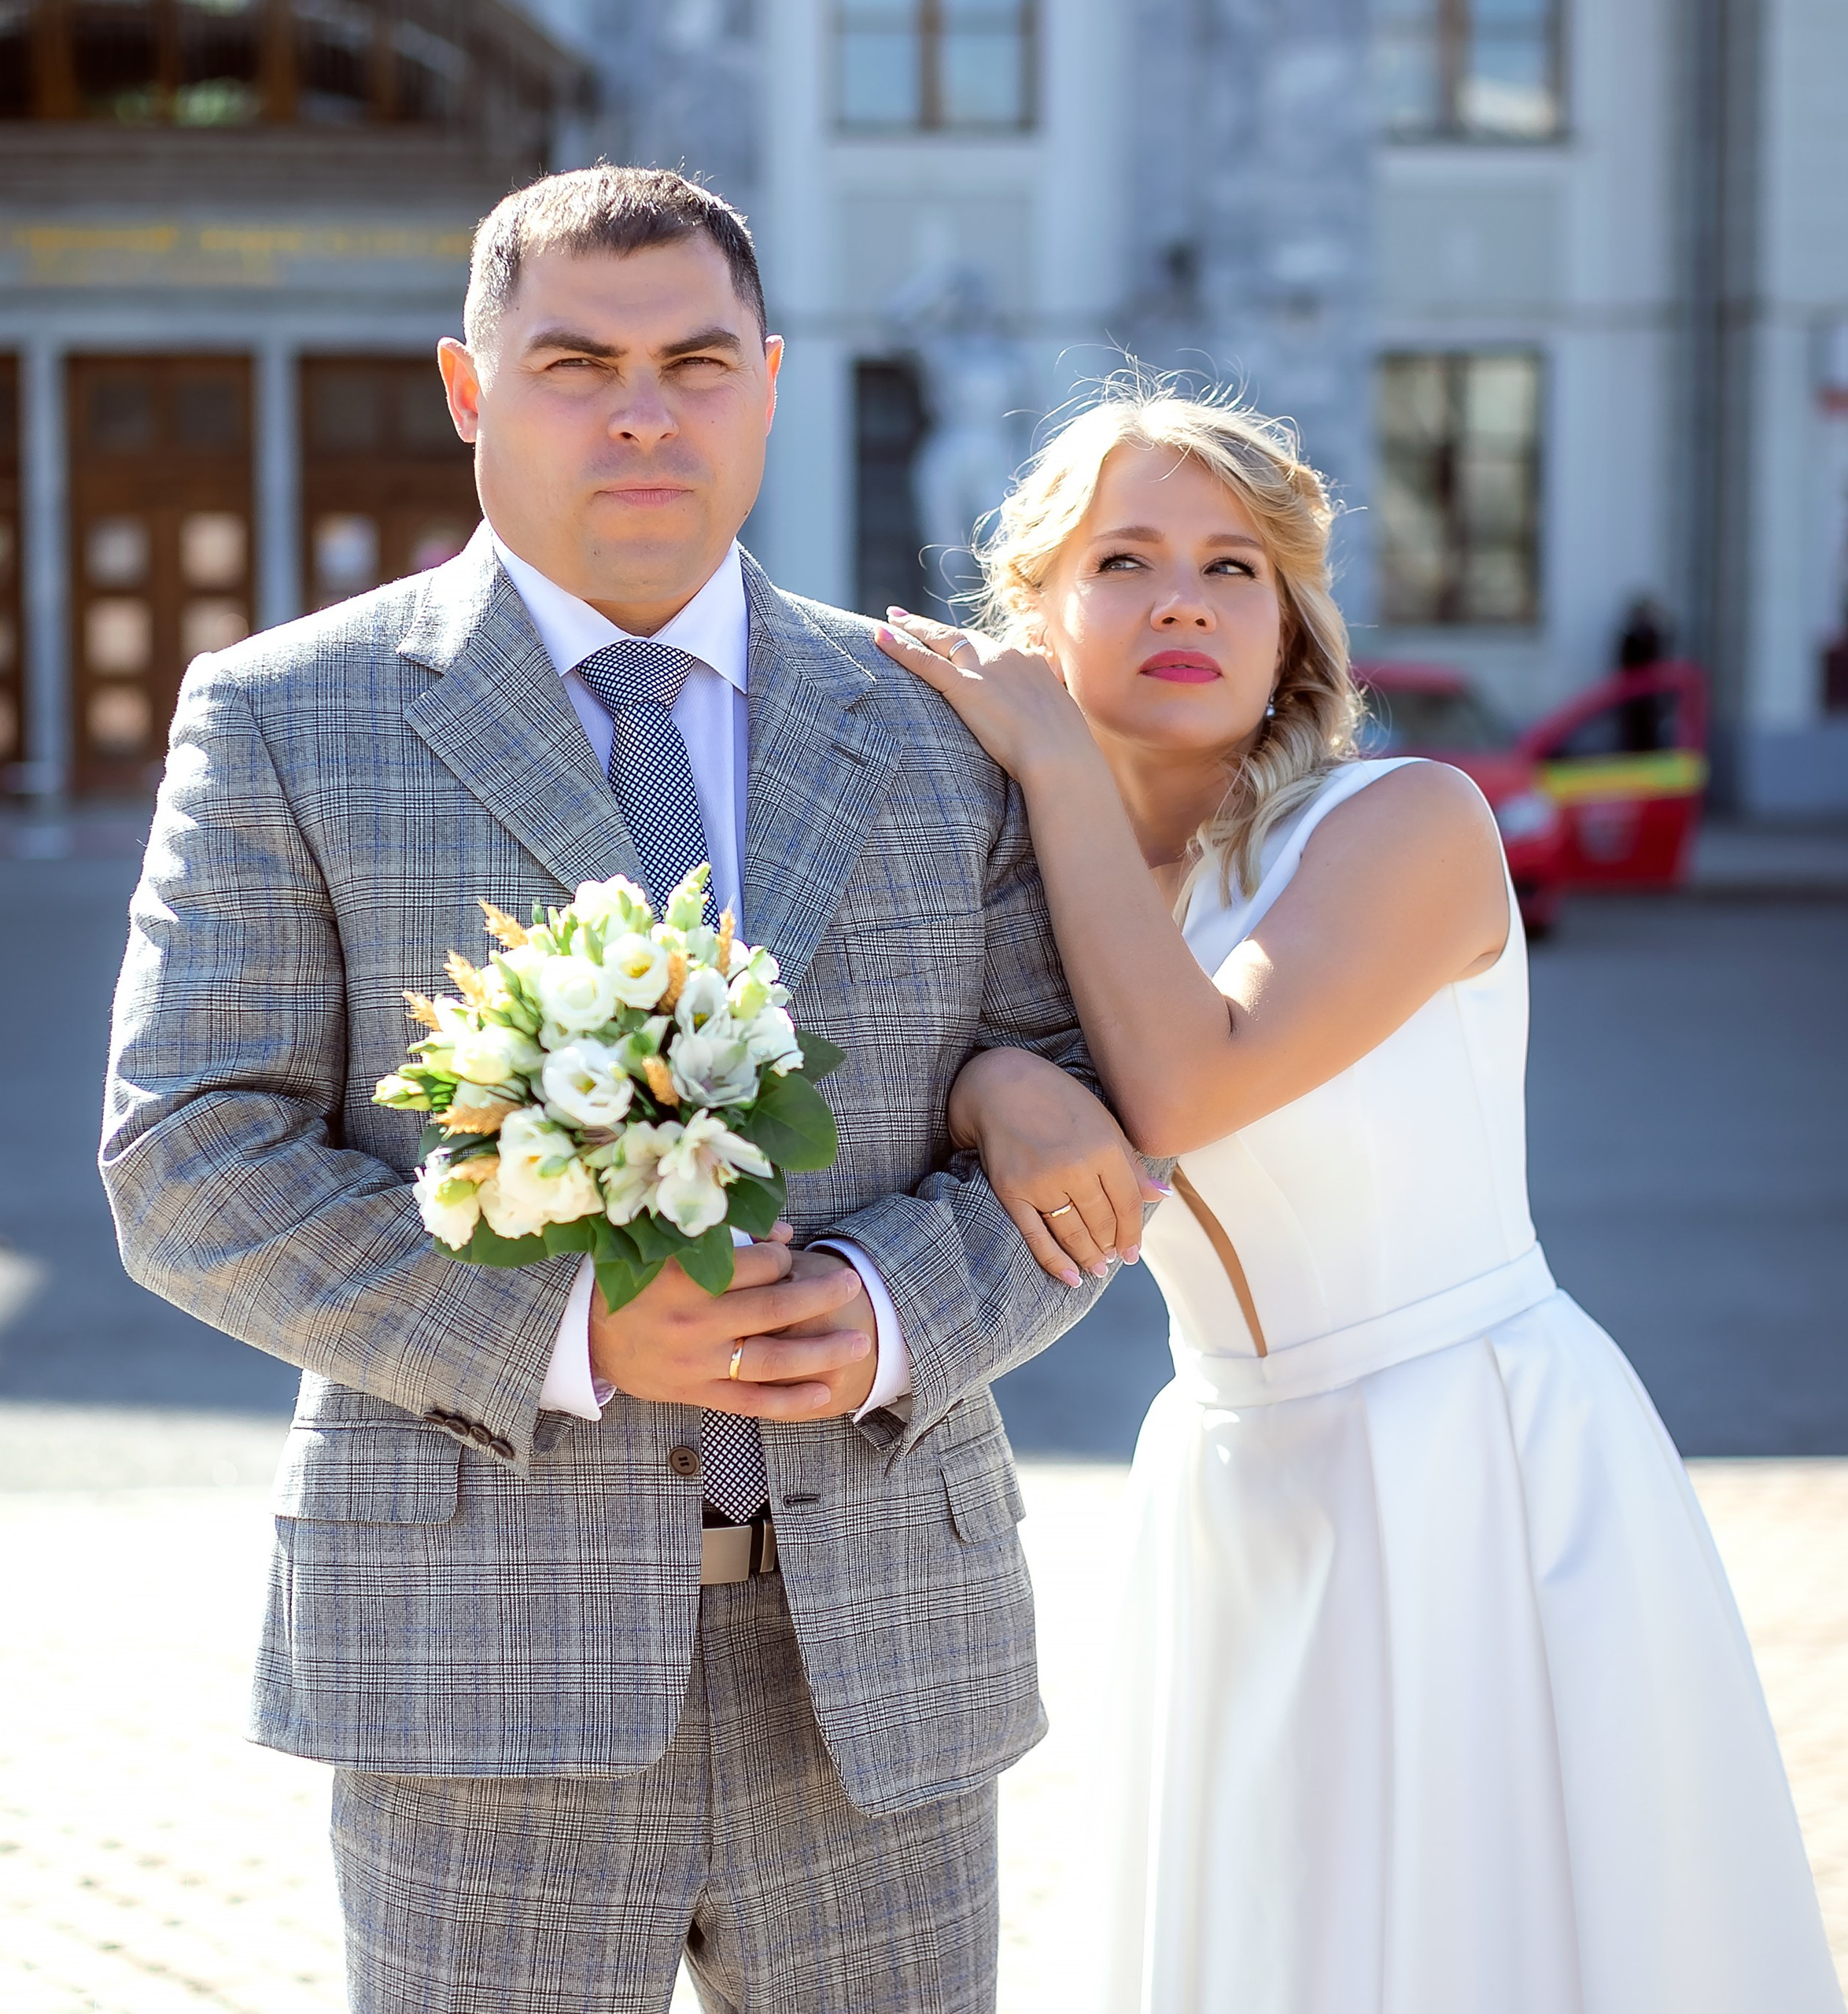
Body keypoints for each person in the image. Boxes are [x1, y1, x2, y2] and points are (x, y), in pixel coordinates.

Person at [101, 167, 1125, 2014]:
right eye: (575, 361)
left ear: (769, 382)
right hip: (476, 1669)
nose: (643, 409)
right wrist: (574, 1323)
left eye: (694, 360)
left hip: (879, 1659)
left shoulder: (931, 722)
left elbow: (1068, 1115)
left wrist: (896, 1310)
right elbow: (190, 1157)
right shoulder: (284, 715)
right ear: (467, 388)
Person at [875, 384, 1845, 2014]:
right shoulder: (1039, 893)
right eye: (1123, 557)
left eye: (1231, 565)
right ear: (1032, 610)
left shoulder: (1403, 822)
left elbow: (1183, 1081)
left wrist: (1041, 746)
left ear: (1288, 626)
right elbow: (1012, 1131)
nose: (1182, 594)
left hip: (1464, 1451)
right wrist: (992, 1079)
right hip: (1228, 1474)